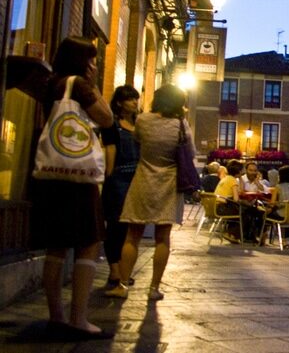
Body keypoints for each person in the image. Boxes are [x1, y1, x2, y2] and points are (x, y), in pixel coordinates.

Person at [32, 37, 115, 339]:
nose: (95, 64)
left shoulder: (52, 84)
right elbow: (105, 118)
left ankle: (56, 316)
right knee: (89, 241)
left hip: (52, 174)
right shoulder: (79, 85)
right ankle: (79, 318)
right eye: (91, 58)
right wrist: (93, 85)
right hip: (78, 177)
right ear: (82, 60)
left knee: (56, 247)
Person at [109, 84, 194, 302]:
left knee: (132, 235)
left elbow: (138, 141)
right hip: (169, 183)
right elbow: (190, 153)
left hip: (143, 180)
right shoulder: (181, 125)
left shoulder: (143, 120)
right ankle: (154, 288)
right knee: (162, 237)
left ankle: (122, 284)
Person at [100, 86, 141, 291]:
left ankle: (124, 269)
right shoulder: (111, 124)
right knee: (115, 226)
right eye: (130, 99)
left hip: (137, 179)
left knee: (130, 228)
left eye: (136, 99)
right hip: (117, 178)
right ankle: (114, 270)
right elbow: (109, 149)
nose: (135, 102)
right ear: (119, 102)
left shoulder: (139, 125)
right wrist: (108, 177)